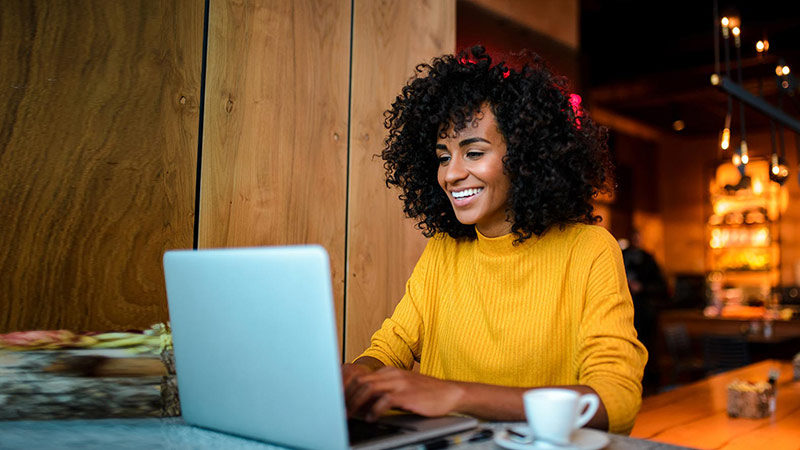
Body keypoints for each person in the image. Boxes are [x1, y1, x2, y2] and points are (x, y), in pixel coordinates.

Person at [342, 46, 647, 435]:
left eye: (473, 152)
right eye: (442, 156)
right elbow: (389, 349)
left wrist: (456, 396)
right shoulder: (443, 250)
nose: (451, 174)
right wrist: (355, 378)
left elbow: (615, 401)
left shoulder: (589, 250)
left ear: (523, 157)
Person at [622, 229, 667, 394]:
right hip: (623, 314)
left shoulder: (648, 259)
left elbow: (662, 287)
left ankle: (645, 386)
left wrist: (641, 288)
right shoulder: (619, 255)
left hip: (644, 314)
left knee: (646, 348)